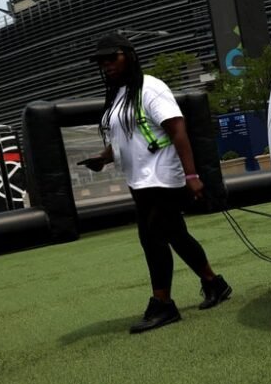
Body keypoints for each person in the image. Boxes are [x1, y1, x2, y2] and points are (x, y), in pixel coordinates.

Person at [80, 32, 232, 333]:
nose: (106, 65)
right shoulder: (120, 95)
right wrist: (103, 157)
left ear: (129, 56)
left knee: (152, 238)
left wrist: (191, 176)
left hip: (162, 177)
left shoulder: (150, 87)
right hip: (140, 180)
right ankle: (215, 283)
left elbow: (177, 130)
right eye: (102, 61)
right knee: (176, 235)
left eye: (112, 58)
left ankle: (163, 304)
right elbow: (126, 138)